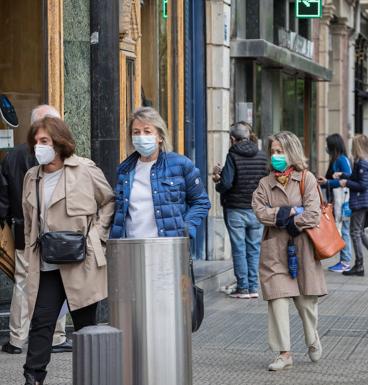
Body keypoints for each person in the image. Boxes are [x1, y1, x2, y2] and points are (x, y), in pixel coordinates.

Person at [21, 117, 115, 385]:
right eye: (36, 142)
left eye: (45, 141)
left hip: (81, 261)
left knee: (86, 328)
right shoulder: (32, 176)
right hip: (46, 263)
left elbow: (108, 202)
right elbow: (30, 221)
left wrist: (97, 237)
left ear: (59, 143)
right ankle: (33, 378)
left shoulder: (85, 169)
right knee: (41, 323)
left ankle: (93, 377)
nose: (39, 147)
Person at [0, 106, 72, 356]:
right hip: (57, 234)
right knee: (58, 281)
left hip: (22, 232)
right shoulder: (61, 154)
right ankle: (57, 336)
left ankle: (17, 339)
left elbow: (3, 201)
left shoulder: (12, 157)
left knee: (22, 284)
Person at [252, 131, 327, 371]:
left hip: (303, 248)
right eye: (273, 151)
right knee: (277, 299)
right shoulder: (265, 183)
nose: (276, 156)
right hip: (274, 249)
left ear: (291, 152)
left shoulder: (307, 179)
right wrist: (289, 212)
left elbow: (314, 214)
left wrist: (287, 218)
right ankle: (284, 353)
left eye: (280, 151)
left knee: (306, 302)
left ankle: (312, 337)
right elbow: (259, 211)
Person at [109, 107, 210, 243]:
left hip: (167, 247)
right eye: (136, 132)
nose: (141, 137)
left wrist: (187, 227)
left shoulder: (181, 165)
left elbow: (201, 202)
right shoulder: (125, 170)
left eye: (147, 131)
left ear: (160, 137)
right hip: (131, 247)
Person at [212, 121, 267, 299]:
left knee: (239, 248)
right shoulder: (261, 155)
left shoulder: (233, 155)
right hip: (256, 209)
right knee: (254, 249)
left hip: (236, 209)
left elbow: (226, 183)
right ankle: (253, 286)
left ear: (232, 139)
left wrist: (217, 182)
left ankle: (242, 287)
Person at [340, 134, 368, 276]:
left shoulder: (362, 162)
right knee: (360, 232)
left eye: (353, 144)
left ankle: (359, 265)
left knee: (355, 232)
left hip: (361, 201)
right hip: (365, 201)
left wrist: (346, 183)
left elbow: (362, 185)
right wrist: (343, 175)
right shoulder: (366, 161)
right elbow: (360, 179)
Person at [317, 133, 353, 273]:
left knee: (344, 230)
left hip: (343, 201)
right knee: (342, 229)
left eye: (328, 145)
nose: (326, 147)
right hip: (339, 200)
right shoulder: (339, 159)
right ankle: (344, 261)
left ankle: (345, 262)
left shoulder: (341, 160)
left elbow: (348, 178)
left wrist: (328, 182)